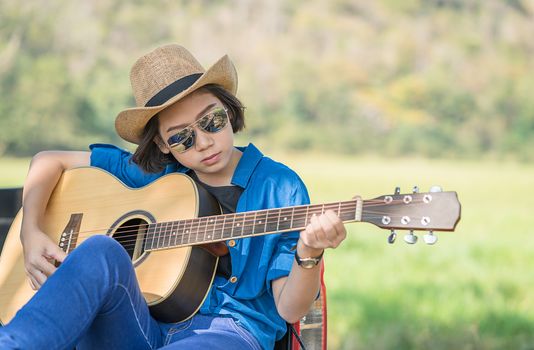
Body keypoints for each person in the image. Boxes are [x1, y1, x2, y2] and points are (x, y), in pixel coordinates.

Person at [0, 44, 347, 350]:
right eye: (182, 138)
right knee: (100, 248)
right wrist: (31, 232)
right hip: (140, 325)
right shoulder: (161, 175)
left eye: (211, 121)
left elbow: (290, 310)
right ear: (163, 145)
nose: (204, 142)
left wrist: (309, 254)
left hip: (231, 331)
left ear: (228, 111)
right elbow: (47, 161)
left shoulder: (279, 186)